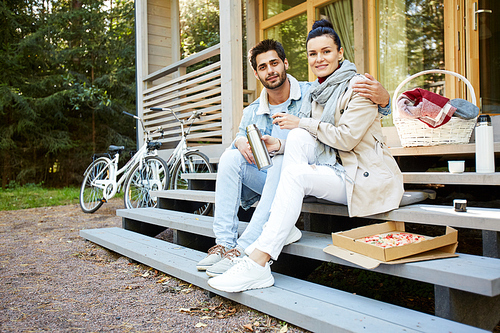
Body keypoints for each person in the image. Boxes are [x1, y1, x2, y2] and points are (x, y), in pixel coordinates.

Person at [207, 20, 404, 293]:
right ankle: (228, 244)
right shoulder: (320, 91)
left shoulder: (345, 87)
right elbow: (289, 135)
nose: (319, 59)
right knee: (251, 154)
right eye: (313, 54)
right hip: (320, 169)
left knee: (293, 150)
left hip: (357, 172)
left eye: (326, 52)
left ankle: (255, 257)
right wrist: (256, 141)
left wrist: (385, 100)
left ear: (340, 53)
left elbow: (346, 136)